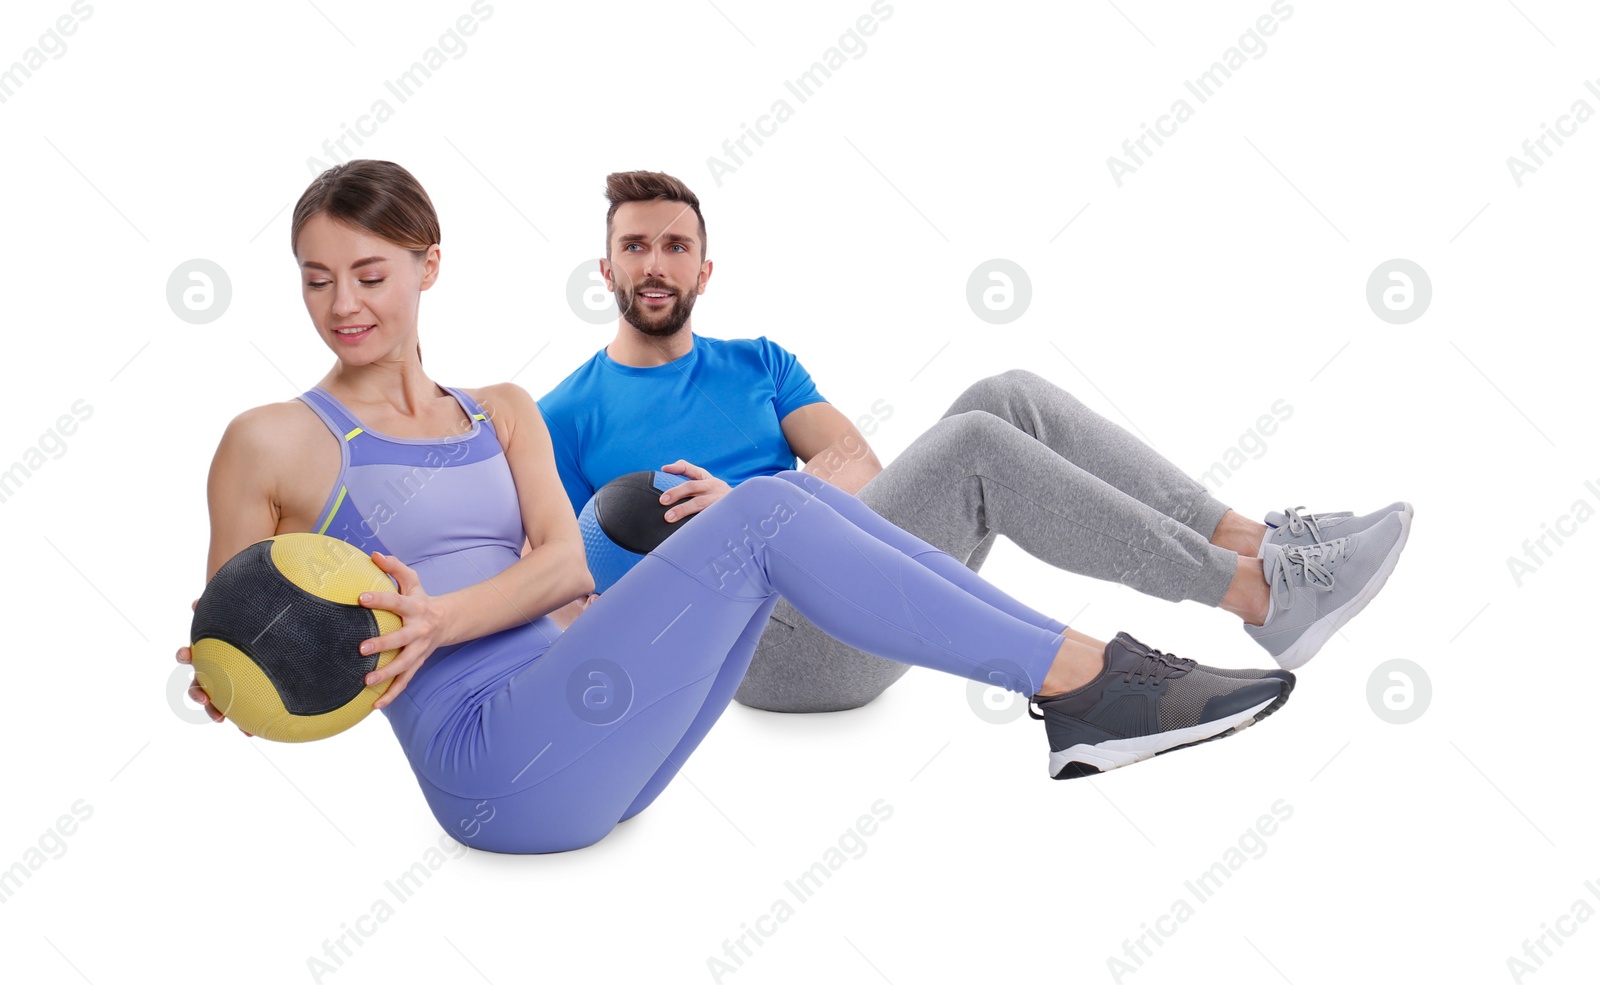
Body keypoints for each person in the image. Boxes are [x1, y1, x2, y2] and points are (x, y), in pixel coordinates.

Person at [175, 160, 1296, 854]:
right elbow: (248, 632)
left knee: (790, 507)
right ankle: (1089, 681)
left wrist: (448, 613)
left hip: (600, 739)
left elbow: (566, 569)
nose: (342, 305)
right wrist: (235, 679)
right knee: (765, 511)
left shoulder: (503, 409)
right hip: (488, 765)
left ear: (427, 268)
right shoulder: (269, 440)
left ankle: (1132, 654)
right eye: (316, 278)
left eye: (369, 274)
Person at [538, 171, 1413, 713]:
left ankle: (1265, 546)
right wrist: (724, 549)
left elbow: (857, 465)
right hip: (765, 648)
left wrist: (758, 509)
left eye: (675, 245)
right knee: (975, 449)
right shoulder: (567, 414)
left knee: (1008, 396)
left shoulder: (758, 363)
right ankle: (1256, 596)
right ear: (605, 269)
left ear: (703, 268)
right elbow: (564, 593)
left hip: (844, 577)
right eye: (635, 246)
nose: (655, 263)